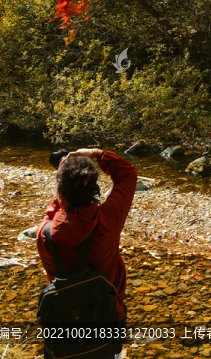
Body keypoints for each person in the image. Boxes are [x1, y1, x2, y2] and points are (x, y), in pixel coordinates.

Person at [36, 147, 137, 355]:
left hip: (63, 326)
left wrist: (65, 175)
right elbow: (127, 174)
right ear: (94, 193)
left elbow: (56, 211)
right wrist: (95, 153)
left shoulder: (44, 235)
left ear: (60, 193)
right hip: (108, 320)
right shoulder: (108, 222)